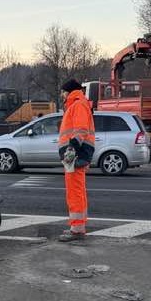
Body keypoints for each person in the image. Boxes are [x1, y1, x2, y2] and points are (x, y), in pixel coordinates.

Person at [57, 79, 95, 242]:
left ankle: (77, 229)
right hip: (76, 152)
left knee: (74, 190)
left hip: (74, 152)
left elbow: (81, 130)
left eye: (63, 92)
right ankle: (78, 226)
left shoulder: (77, 104)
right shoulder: (78, 104)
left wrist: (71, 149)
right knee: (77, 189)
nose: (62, 95)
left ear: (69, 91)